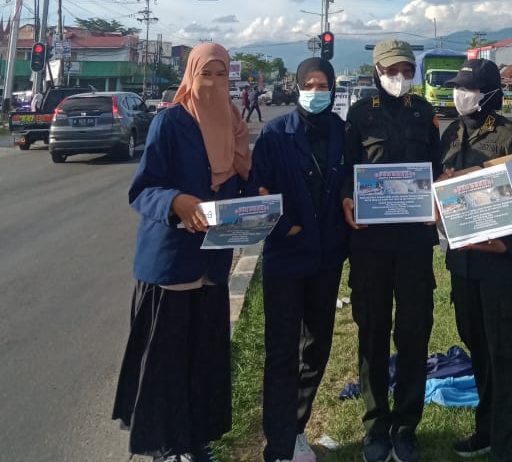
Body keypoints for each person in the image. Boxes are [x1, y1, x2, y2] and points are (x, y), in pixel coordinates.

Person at [113, 42, 252, 462]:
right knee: (167, 361)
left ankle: (196, 441)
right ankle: (164, 445)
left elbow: (240, 187)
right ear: (190, 76)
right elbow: (143, 190)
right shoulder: (169, 123)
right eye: (205, 74)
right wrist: (176, 201)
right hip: (171, 264)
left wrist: (256, 201)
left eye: (221, 75)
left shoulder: (234, 124)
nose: (212, 84)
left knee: (203, 358)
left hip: (212, 264)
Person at [437, 59, 512, 462]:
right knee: (478, 349)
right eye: (458, 88)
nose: (460, 95)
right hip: (464, 268)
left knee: (505, 359)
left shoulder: (511, 139)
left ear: (490, 95)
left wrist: (507, 244)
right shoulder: (450, 134)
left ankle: (510, 448)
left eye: (469, 89)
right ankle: (486, 429)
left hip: (503, 272)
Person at [342, 39, 440, 462]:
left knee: (415, 331)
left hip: (416, 244)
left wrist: (441, 197)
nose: (399, 77)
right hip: (371, 246)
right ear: (377, 70)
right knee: (373, 331)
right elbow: (345, 171)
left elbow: (439, 168)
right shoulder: (360, 115)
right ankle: (376, 424)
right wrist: (348, 199)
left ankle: (406, 425)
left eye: (406, 70)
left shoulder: (424, 114)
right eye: (392, 70)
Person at [250, 57, 349, 462]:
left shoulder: (343, 132)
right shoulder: (275, 133)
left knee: (318, 347)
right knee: (281, 351)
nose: (316, 90)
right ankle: (277, 444)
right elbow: (256, 189)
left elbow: (353, 180)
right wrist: (284, 224)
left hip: (327, 260)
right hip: (286, 259)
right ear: (296, 87)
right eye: (308, 83)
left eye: (323, 83)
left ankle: (295, 428)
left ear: (332, 87)